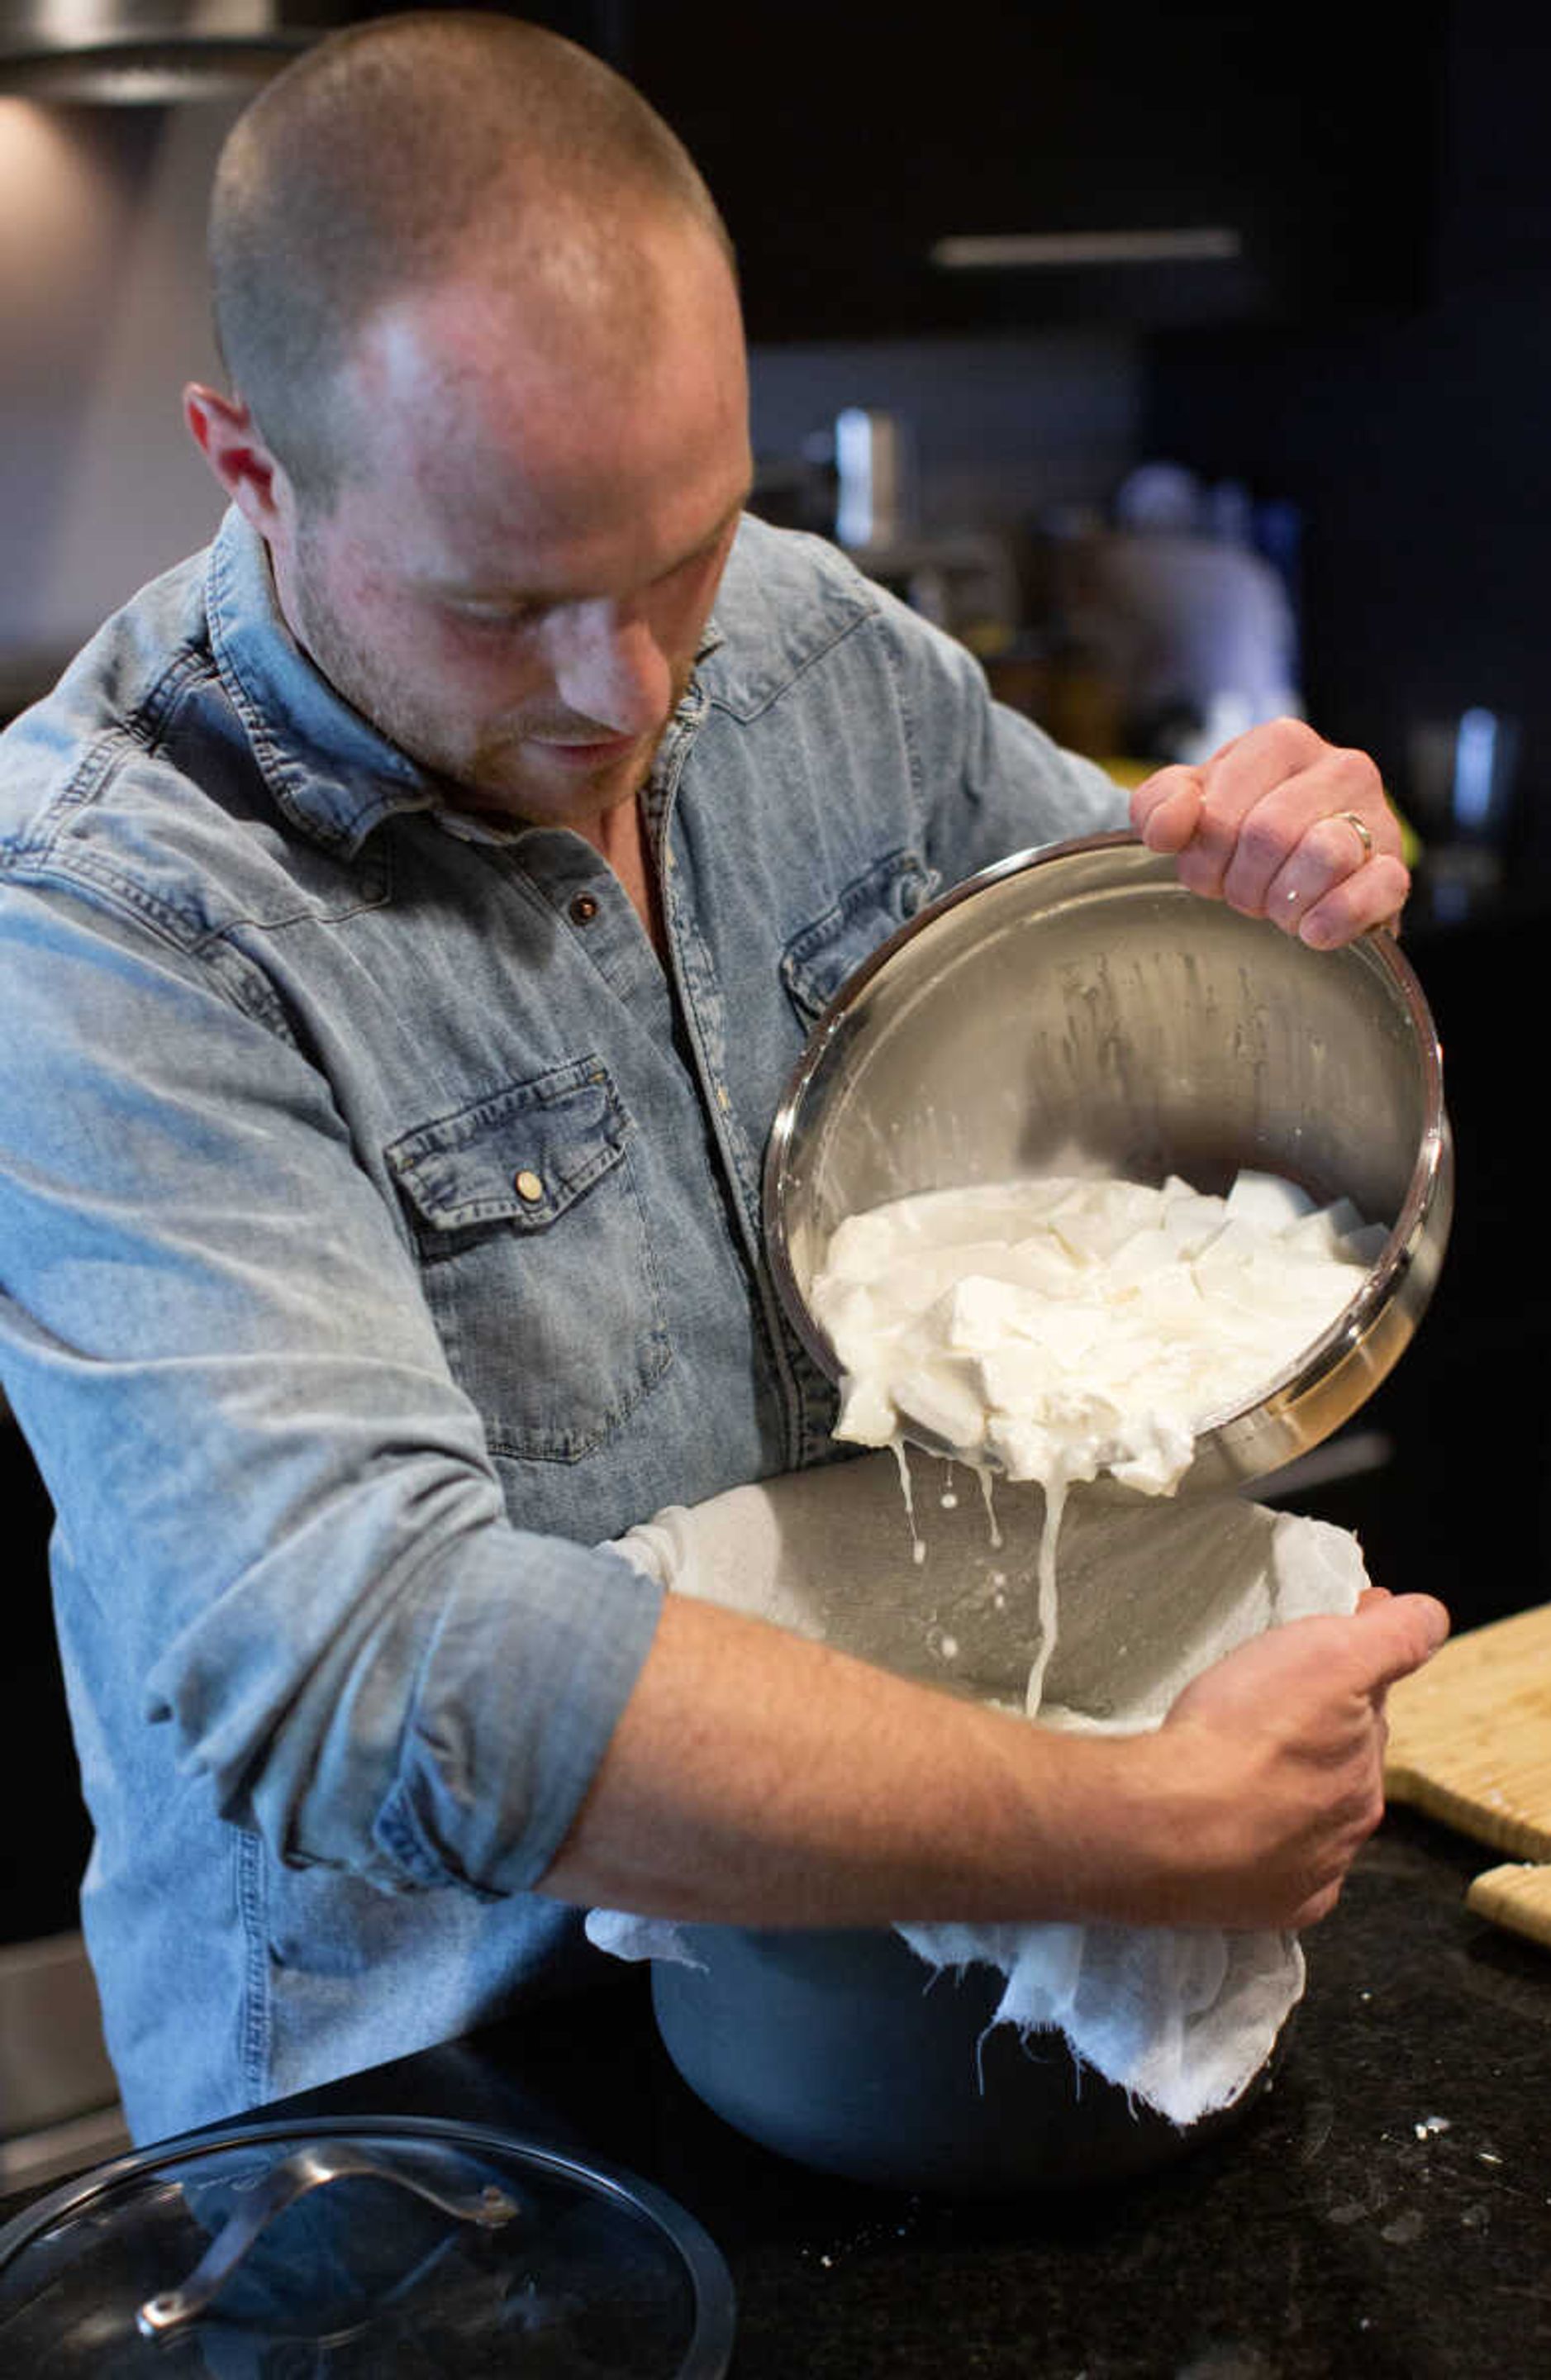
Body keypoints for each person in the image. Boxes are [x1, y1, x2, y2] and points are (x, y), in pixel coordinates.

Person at [0, 11, 1443, 2146]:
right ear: (249, 467)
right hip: (436, 2155)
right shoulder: (106, 928)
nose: (637, 685)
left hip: (884, 2010)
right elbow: (367, 1668)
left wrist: (1296, 867)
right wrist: (1124, 1831)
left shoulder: (807, 644)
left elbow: (1144, 1001)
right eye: (512, 606)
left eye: (685, 547)